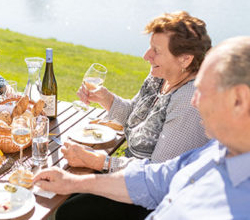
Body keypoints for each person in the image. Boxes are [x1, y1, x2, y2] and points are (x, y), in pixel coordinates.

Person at [35, 36, 250, 219]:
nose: (194, 101)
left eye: (202, 91)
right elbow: (154, 180)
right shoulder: (219, 150)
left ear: (239, 99)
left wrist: (98, 164)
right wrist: (73, 182)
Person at [71, 11, 211, 173]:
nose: (146, 56)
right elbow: (135, 116)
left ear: (185, 59)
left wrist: (100, 162)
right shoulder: (161, 77)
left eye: (156, 50)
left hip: (150, 192)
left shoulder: (189, 99)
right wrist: (106, 98)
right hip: (127, 175)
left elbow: (159, 171)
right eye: (150, 47)